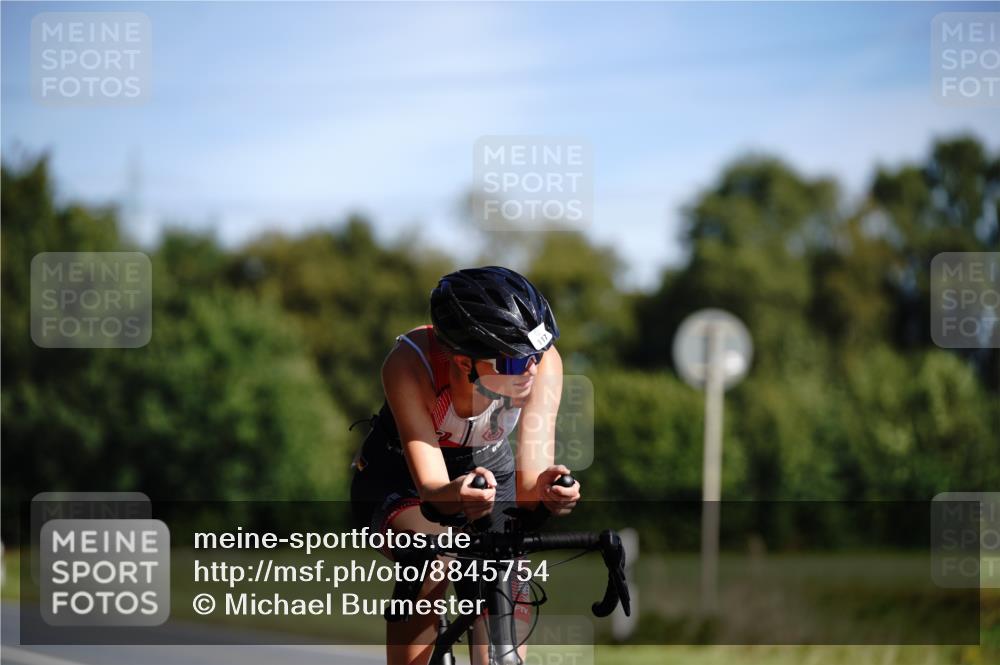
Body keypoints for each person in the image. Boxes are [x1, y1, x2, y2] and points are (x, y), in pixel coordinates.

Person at [350, 266, 580, 665]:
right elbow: (433, 492)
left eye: (536, 355)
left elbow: (530, 486)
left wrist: (550, 492)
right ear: (462, 362)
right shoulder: (410, 365)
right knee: (430, 559)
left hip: (489, 466)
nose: (530, 369)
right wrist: (456, 497)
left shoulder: (540, 365)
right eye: (513, 363)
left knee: (506, 570)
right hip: (400, 475)